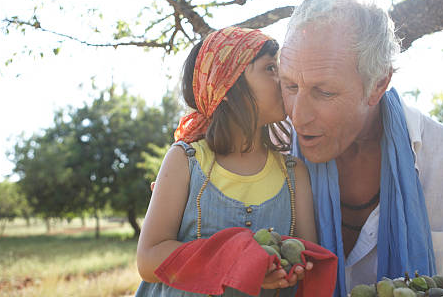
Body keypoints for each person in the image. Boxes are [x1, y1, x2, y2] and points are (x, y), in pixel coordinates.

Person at [277, 0, 443, 297]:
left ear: (378, 84)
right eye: (290, 86)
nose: (298, 116)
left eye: (324, 92)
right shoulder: (266, 149)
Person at [135, 26, 317, 297]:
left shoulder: (294, 173)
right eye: (269, 68)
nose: (283, 78)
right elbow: (149, 259)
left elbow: (305, 255)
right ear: (228, 86)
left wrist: (292, 267)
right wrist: (238, 262)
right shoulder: (185, 161)